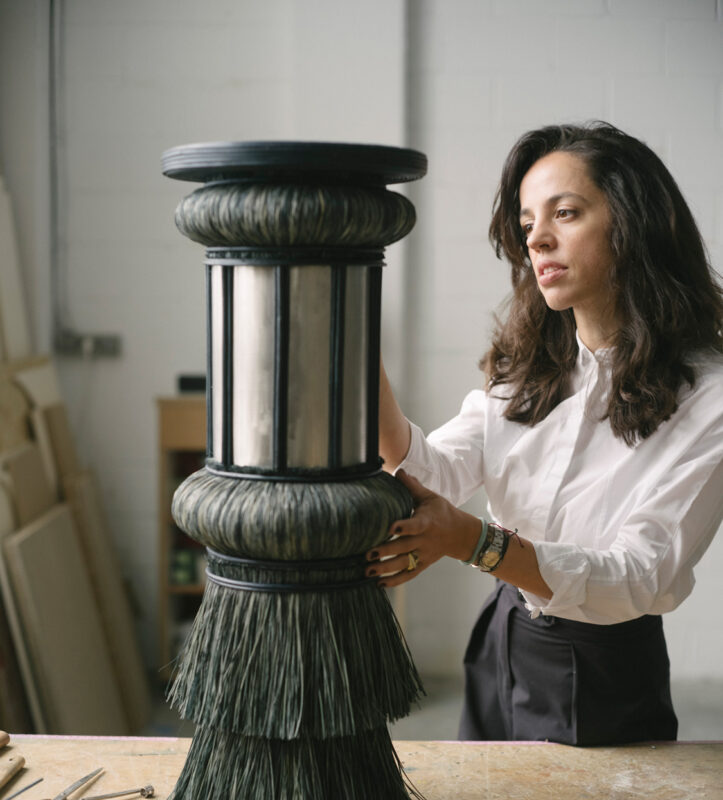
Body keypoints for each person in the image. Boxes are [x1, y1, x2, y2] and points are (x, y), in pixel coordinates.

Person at [366, 121, 723, 746]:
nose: (540, 240)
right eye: (528, 224)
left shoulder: (711, 398)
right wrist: (354, 343)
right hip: (504, 632)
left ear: (634, 222)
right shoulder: (534, 366)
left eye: (566, 212)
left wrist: (474, 541)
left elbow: (639, 575)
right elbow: (432, 469)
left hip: (604, 671)